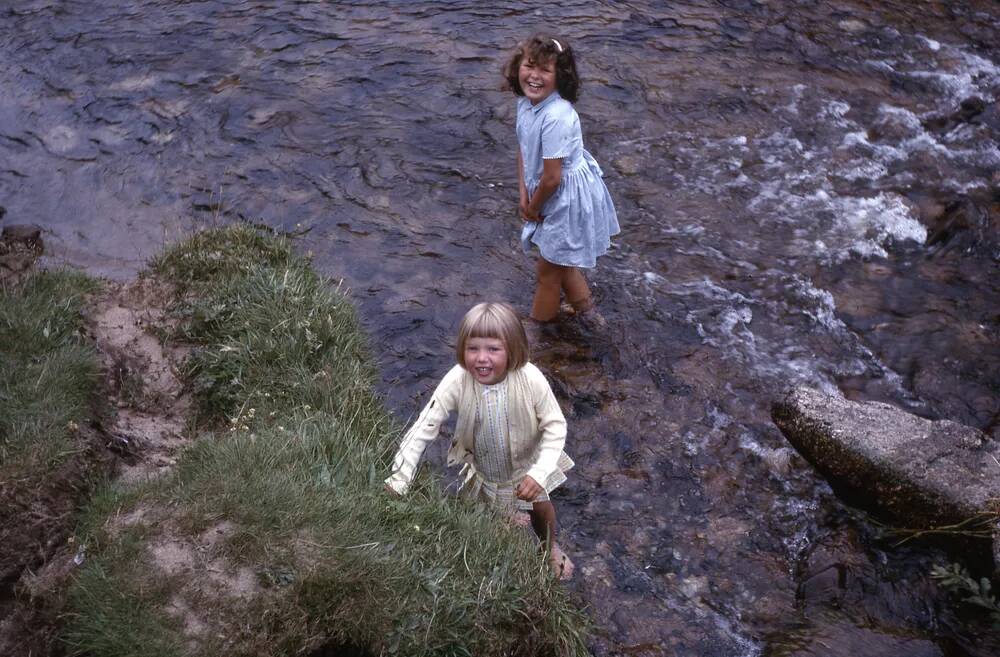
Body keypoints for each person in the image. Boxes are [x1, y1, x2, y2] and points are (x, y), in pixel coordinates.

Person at [384, 302, 575, 579]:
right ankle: (502, 525)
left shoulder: (530, 378)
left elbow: (555, 426)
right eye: (473, 348)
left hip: (528, 467)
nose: (481, 358)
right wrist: (400, 476)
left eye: (493, 349)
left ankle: (550, 547)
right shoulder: (458, 380)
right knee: (485, 507)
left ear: (513, 350)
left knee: (540, 508)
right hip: (486, 467)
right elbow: (424, 426)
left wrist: (540, 473)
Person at [502, 34, 620, 336]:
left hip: (565, 195)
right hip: (547, 189)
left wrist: (534, 208)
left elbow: (553, 177)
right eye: (529, 66)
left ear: (560, 77)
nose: (535, 76)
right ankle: (589, 313)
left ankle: (537, 333)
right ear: (518, 66)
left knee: (546, 271)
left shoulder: (556, 116)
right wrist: (523, 194)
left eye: (545, 70)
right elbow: (524, 150)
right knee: (559, 259)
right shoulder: (526, 104)